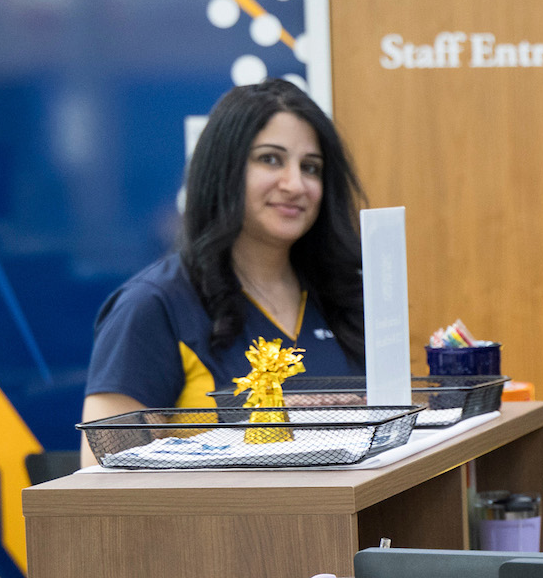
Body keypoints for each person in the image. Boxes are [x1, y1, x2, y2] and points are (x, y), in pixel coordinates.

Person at [83, 78, 365, 460]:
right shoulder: (153, 306)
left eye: (311, 167)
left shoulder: (346, 298)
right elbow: (105, 483)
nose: (296, 184)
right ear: (223, 169)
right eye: (270, 159)